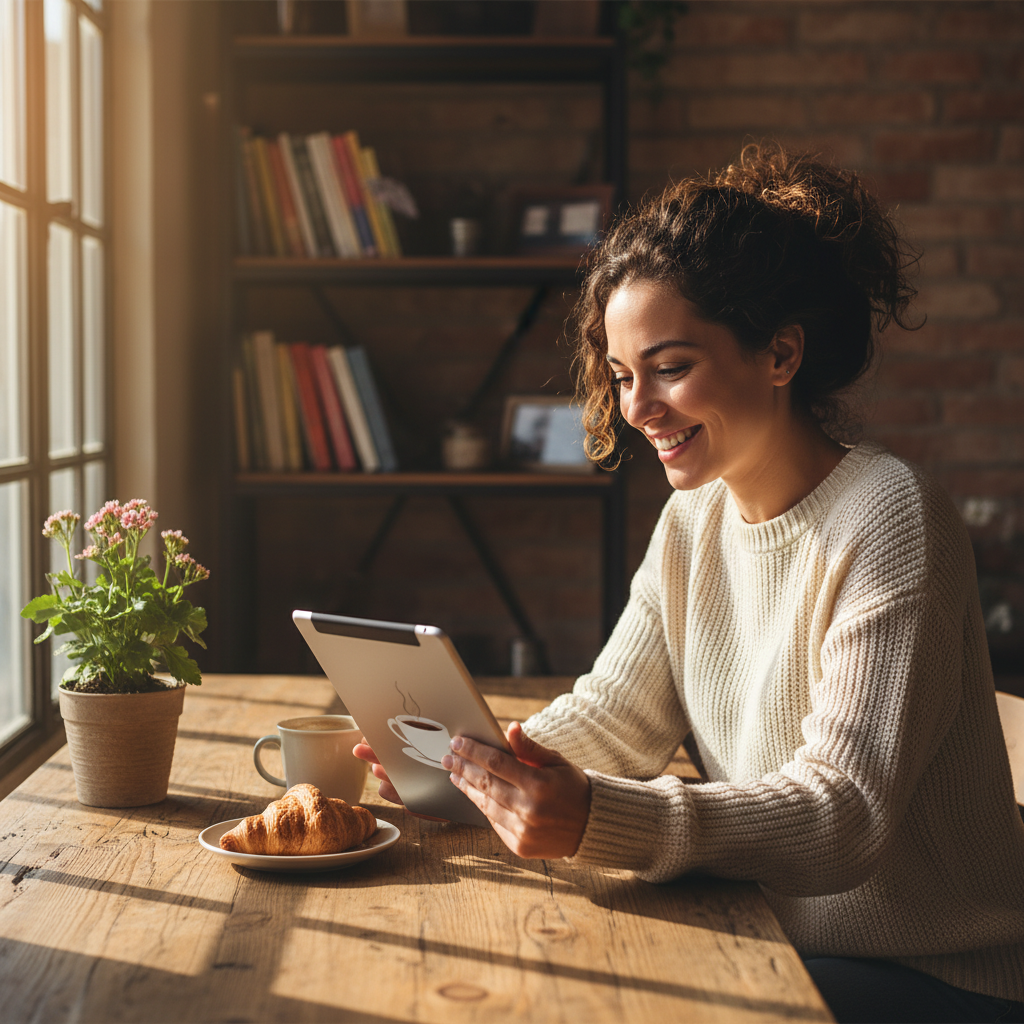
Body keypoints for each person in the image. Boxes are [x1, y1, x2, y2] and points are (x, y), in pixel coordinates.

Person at [355, 143, 1024, 1023]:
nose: (636, 409)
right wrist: (480, 769)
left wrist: (596, 817)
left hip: (932, 976)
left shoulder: (891, 518)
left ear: (780, 354)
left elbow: (844, 814)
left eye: (670, 368)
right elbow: (615, 719)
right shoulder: (694, 519)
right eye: (625, 376)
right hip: (773, 934)